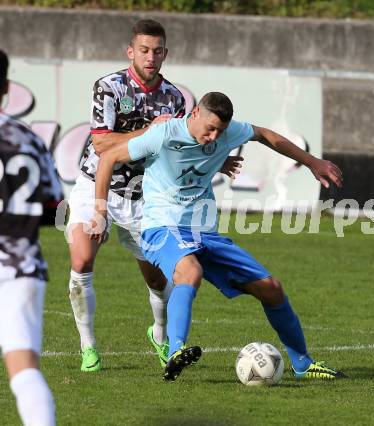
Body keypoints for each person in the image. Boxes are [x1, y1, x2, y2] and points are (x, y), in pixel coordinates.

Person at [92, 92, 346, 382]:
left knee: (272, 288)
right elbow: (109, 156)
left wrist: (312, 162)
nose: (214, 136)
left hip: (204, 233)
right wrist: (100, 213)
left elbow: (265, 135)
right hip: (161, 228)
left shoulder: (226, 133)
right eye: (209, 128)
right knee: (190, 271)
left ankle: (303, 364)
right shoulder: (164, 134)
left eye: (220, 132)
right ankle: (176, 351)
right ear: (195, 112)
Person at [67, 20, 241, 372]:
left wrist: (214, 160)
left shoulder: (175, 97)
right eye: (144, 50)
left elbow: (179, 145)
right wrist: (150, 130)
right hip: (96, 184)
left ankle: (160, 336)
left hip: (144, 194)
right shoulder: (109, 87)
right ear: (130, 51)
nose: (151, 57)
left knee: (158, 277)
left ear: (166, 53)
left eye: (157, 50)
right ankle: (88, 346)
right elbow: (102, 144)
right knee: (82, 261)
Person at [0, 49, 63, 425]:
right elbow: (55, 208)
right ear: (6, 87)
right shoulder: (26, 138)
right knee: (24, 372)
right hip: (20, 268)